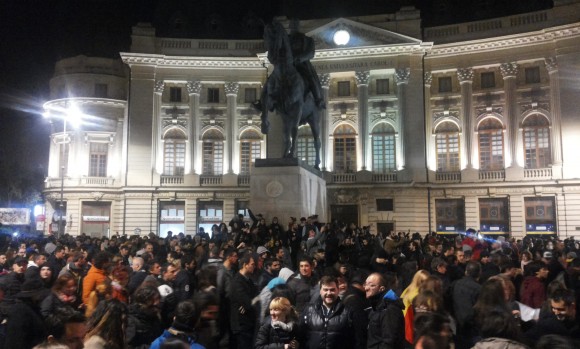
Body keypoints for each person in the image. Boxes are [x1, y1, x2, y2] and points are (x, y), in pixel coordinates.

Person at [300, 275, 360, 349]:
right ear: (320, 291)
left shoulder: (348, 311)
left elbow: (355, 340)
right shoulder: (309, 310)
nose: (329, 293)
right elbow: (301, 337)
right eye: (325, 290)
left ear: (338, 290)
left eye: (332, 290)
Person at [365, 272, 405, 349]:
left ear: (381, 289)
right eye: (366, 284)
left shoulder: (389, 309)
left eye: (372, 285)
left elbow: (389, 341)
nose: (366, 288)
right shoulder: (377, 306)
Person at [229, 253, 257, 349]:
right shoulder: (237, 282)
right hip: (241, 326)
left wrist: (250, 303)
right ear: (245, 265)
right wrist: (249, 304)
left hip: (248, 323)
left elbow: (256, 298)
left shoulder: (249, 280)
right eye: (252, 264)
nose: (254, 266)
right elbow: (248, 303)